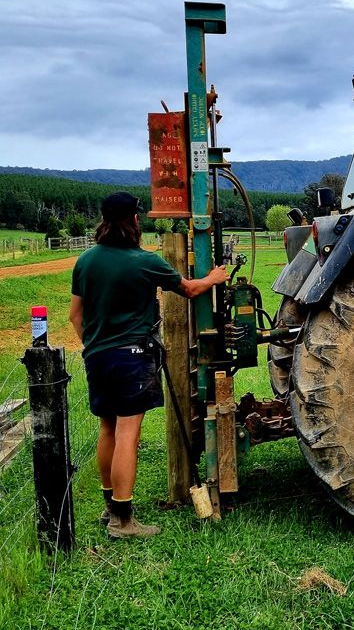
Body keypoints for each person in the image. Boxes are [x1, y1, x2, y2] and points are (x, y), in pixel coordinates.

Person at [69, 192, 228, 538]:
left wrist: (95, 347)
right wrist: (213, 278)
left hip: (97, 357)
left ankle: (110, 506)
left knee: (108, 429)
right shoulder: (144, 261)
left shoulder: (85, 261)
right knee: (129, 433)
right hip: (132, 358)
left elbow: (75, 315)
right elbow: (188, 289)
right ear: (135, 221)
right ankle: (123, 521)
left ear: (104, 221)